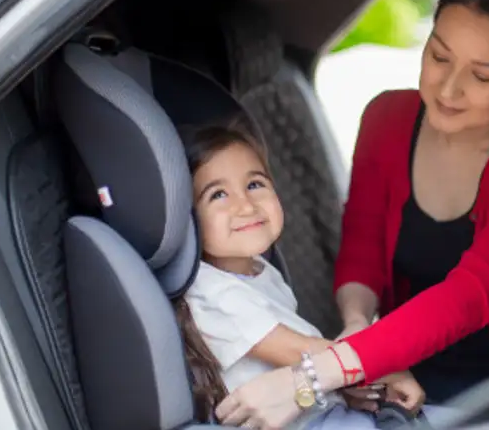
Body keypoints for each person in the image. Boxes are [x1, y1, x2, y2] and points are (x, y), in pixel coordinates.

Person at [215, 0, 489, 429]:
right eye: (439, 56)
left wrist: (309, 379)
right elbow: (361, 250)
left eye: (482, 76)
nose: (449, 89)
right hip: (405, 361)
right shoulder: (387, 118)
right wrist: (357, 323)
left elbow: (470, 296)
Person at [170, 115, 441, 428]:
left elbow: (310, 369)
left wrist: (345, 388)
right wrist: (383, 366)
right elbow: (302, 351)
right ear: (186, 217)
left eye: (255, 184)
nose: (246, 205)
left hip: (318, 409)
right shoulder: (210, 291)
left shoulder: (260, 271)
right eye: (218, 194)